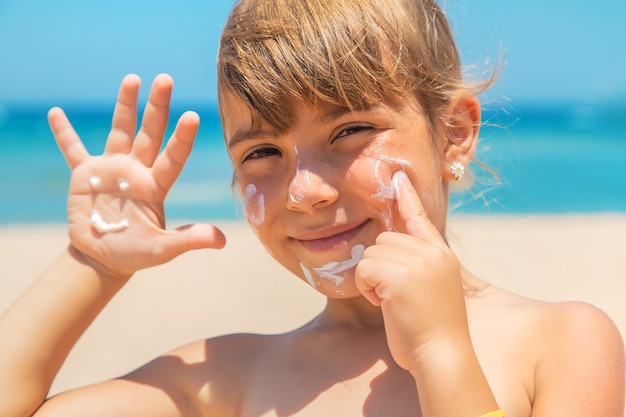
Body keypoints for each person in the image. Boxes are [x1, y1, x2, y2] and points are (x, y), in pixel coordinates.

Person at [0, 0, 624, 415]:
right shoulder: (233, 380)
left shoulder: (561, 342)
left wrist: (441, 353)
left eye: (350, 131)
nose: (307, 190)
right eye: (263, 150)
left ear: (453, 134)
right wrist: (91, 264)